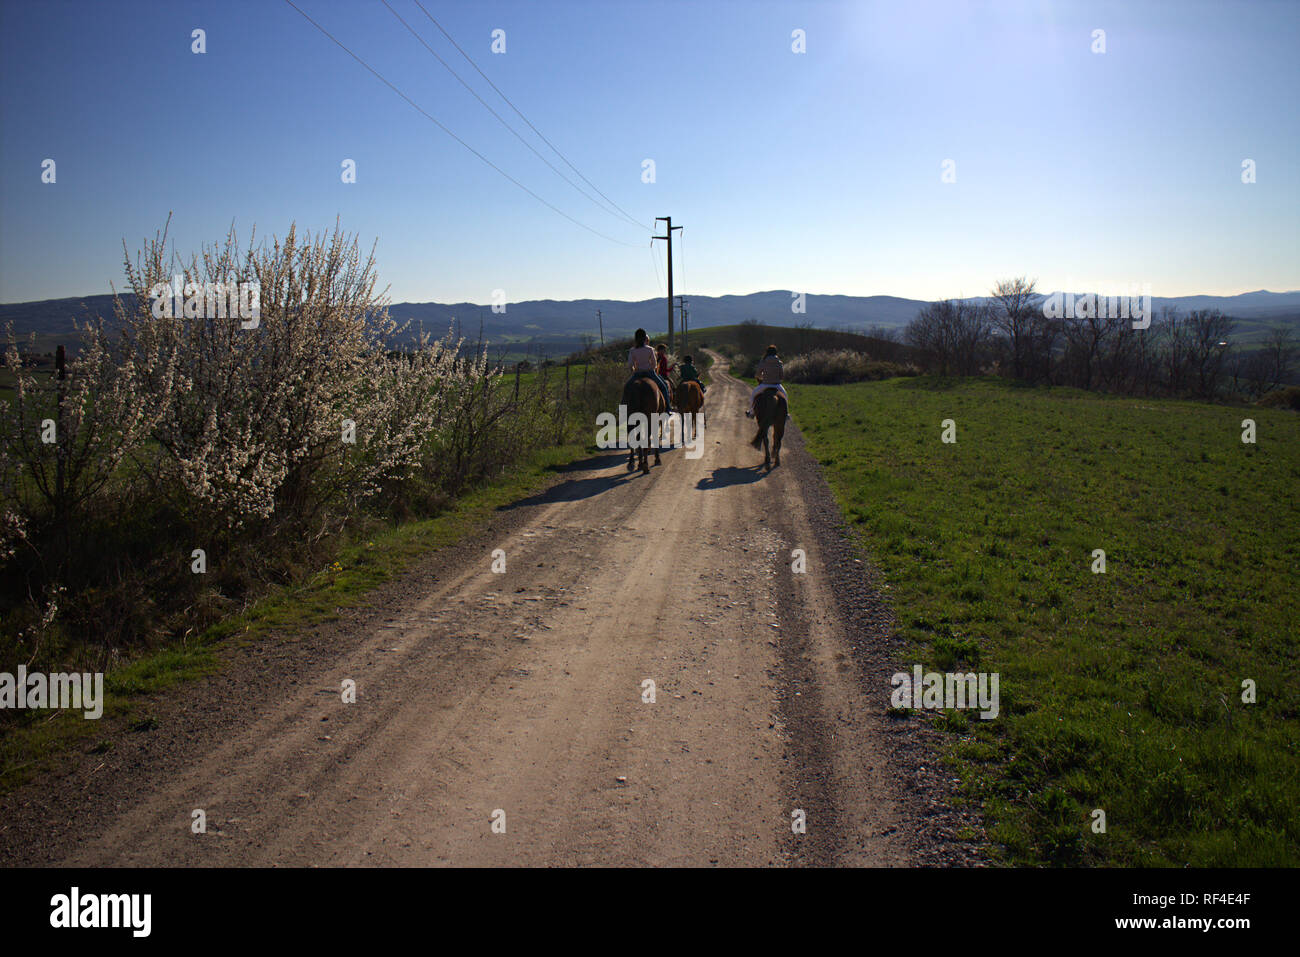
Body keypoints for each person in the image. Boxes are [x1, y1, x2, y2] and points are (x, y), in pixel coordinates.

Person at [627, 328, 673, 409]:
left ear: (636, 339)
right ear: (645, 338)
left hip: (637, 373)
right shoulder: (650, 349)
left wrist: (634, 371)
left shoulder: (632, 350)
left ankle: (622, 411)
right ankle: (668, 408)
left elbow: (630, 365)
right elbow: (654, 364)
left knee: (626, 388)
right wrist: (650, 369)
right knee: (664, 387)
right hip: (650, 373)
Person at [746, 344, 786, 418]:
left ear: (767, 352)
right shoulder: (779, 362)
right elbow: (782, 376)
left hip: (765, 385)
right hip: (777, 385)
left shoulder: (763, 361)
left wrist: (761, 378)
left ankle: (751, 412)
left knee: (753, 395)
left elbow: (758, 374)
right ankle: (786, 414)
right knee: (785, 396)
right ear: (776, 353)